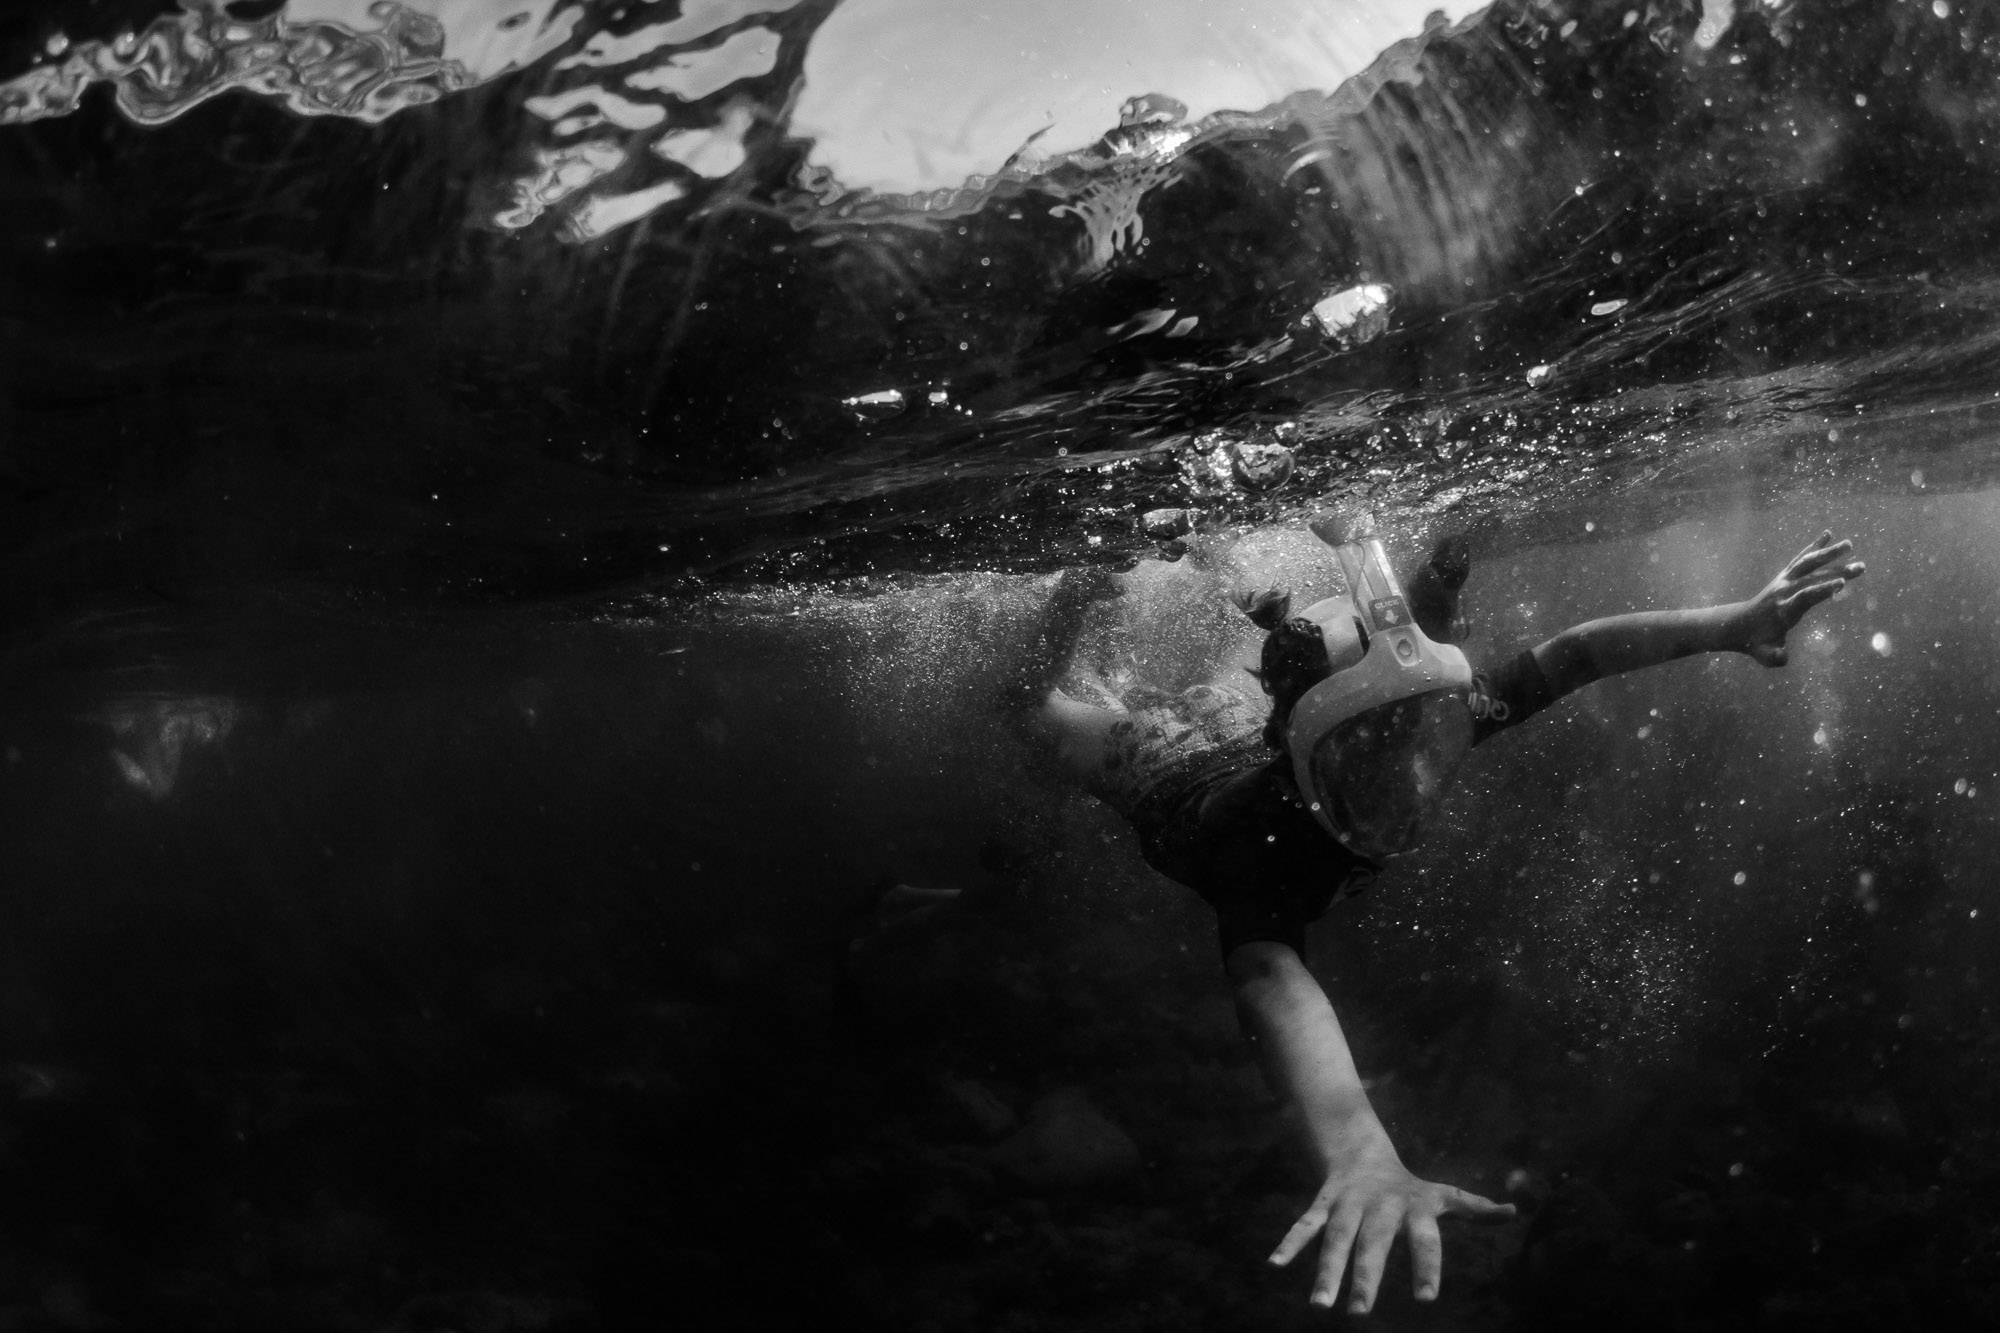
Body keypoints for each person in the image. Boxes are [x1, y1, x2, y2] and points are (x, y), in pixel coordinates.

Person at [1014, 516, 1865, 1315]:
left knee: (1235, 687)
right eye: (1376, 745)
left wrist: (1732, 623)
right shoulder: (1258, 841)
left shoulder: (1414, 717)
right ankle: (1083, 589)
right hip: (1174, 776)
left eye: (1417, 728)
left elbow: (1574, 655)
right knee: (1038, 716)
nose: (1410, 763)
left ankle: (1237, 591)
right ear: (1309, 747)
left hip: (1270, 729)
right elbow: (1273, 977)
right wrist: (1356, 1145)